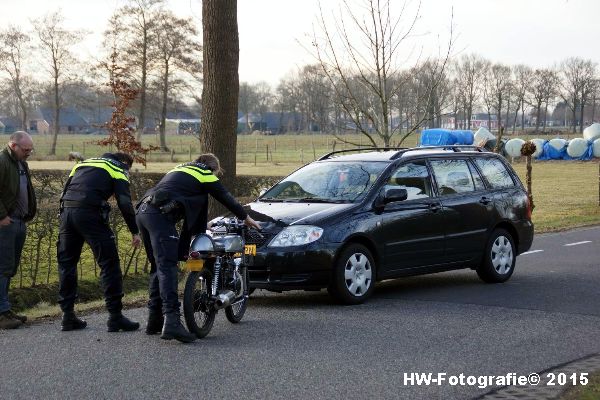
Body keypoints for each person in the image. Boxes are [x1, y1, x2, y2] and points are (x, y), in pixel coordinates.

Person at [136, 153, 260, 343]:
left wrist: (203, 224)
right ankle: (172, 323)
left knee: (157, 266)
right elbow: (225, 197)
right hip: (159, 217)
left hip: (143, 213)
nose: (215, 178)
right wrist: (246, 217)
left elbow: (180, 195)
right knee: (168, 267)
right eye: (216, 174)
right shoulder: (204, 173)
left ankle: (155, 319)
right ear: (212, 169)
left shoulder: (179, 169)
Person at [57, 152, 142, 332]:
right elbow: (125, 202)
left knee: (67, 264)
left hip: (67, 213)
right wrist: (135, 231)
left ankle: (67, 316)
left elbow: (64, 191)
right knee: (109, 264)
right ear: (125, 162)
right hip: (90, 214)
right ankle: (115, 317)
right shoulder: (118, 167)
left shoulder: (82, 164)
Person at [0, 131, 37, 329]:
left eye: (31, 150)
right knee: (3, 268)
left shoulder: (21, 163)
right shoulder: (2, 161)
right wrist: (2, 217)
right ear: (13, 145)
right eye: (25, 149)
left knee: (10, 269)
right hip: (6, 224)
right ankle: (2, 313)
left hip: (19, 222)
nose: (28, 153)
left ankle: (5, 309)